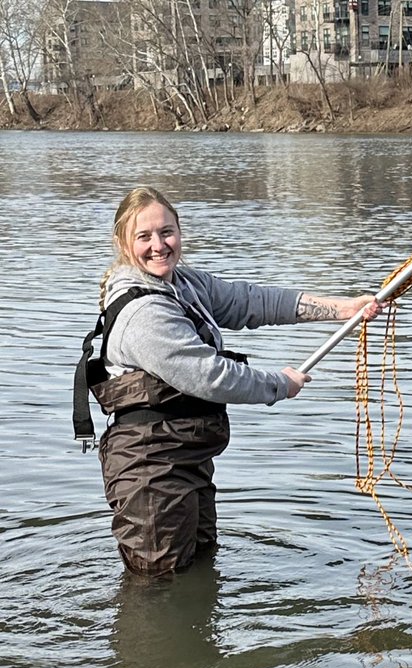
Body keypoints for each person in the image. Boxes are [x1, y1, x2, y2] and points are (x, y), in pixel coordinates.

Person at [81, 185, 380, 577]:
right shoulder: (144, 313)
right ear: (123, 243)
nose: (159, 245)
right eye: (144, 236)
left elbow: (249, 301)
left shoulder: (184, 285)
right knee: (160, 586)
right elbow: (210, 375)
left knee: (201, 567)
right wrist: (278, 384)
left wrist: (342, 308)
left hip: (186, 454)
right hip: (149, 467)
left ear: (180, 232)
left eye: (167, 232)